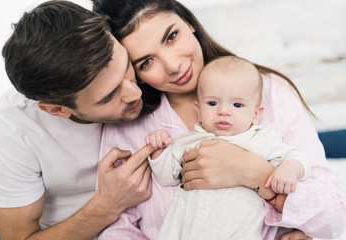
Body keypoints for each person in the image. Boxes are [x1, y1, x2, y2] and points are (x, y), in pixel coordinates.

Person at [93, 0, 346, 239]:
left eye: (172, 37)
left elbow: (333, 217)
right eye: (146, 62)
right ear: (132, 71)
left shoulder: (270, 93)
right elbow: (117, 229)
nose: (172, 65)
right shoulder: (131, 127)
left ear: (189, 23)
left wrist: (254, 174)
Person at [0, 1, 155, 239]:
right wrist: (106, 206)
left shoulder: (143, 52)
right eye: (109, 96)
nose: (135, 93)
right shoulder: (9, 128)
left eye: (126, 66)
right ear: (57, 110)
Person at [142, 56, 310, 240]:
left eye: (237, 105)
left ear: (255, 115)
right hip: (186, 231)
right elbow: (166, 176)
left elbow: (296, 158)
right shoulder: (190, 141)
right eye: (212, 103)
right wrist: (158, 149)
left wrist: (290, 169)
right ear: (198, 110)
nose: (223, 111)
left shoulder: (259, 139)